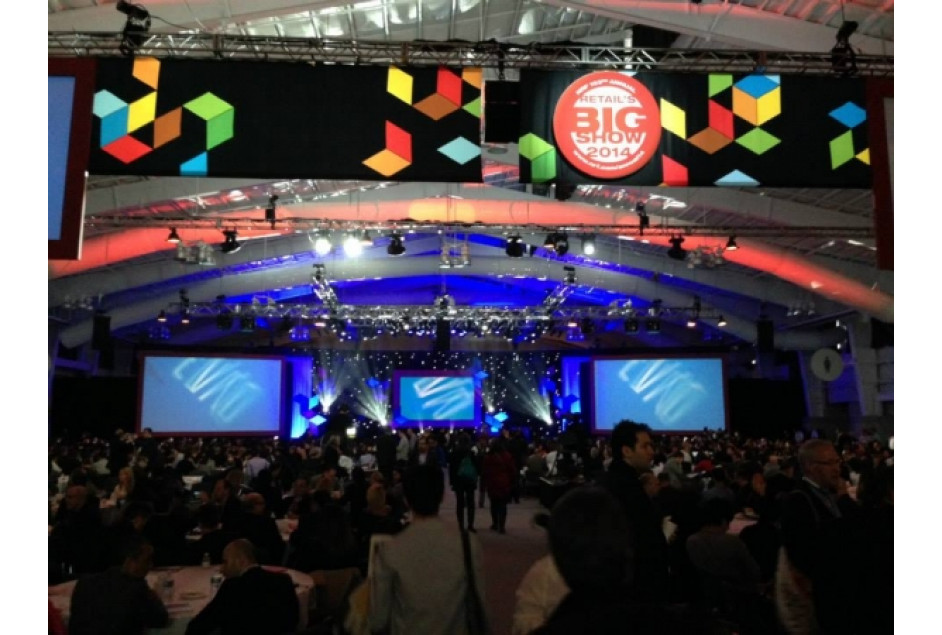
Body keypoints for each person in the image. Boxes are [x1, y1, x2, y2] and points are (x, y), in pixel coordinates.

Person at [369, 463, 487, 635]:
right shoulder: (467, 542)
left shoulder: (390, 549)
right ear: (442, 496)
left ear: (406, 499)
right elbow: (480, 603)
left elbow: (378, 618)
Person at [777, 439, 861, 634]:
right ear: (810, 467)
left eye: (837, 462)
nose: (837, 468)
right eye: (829, 463)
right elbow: (803, 553)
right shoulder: (799, 500)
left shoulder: (829, 493)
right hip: (822, 596)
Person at [598, 420, 671, 602]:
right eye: (645, 446)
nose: (651, 452)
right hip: (635, 589)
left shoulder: (617, 481)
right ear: (627, 451)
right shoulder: (626, 488)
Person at [185, 538, 299, 635]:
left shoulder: (232, 587)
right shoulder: (283, 580)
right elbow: (294, 620)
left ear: (241, 561)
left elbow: (200, 625)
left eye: (225, 562)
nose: (222, 569)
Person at [68, 533, 169, 635]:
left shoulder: (85, 583)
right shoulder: (137, 589)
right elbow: (161, 620)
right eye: (147, 561)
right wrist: (154, 597)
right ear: (130, 561)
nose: (151, 565)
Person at [482, 437, 517, 533]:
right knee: (503, 505)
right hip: (504, 482)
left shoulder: (489, 456)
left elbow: (485, 470)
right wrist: (512, 481)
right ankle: (502, 526)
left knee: (493, 504)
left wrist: (485, 483)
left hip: (492, 482)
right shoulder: (507, 456)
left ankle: (495, 523)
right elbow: (512, 470)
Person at [448, 432, 479, 532]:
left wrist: (452, 482)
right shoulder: (471, 452)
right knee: (471, 503)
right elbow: (476, 467)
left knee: (459, 503)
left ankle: (460, 524)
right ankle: (470, 524)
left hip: (458, 480)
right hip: (469, 480)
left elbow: (451, 468)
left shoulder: (454, 452)